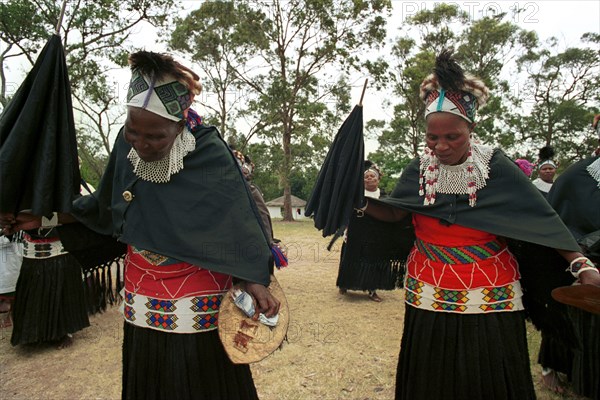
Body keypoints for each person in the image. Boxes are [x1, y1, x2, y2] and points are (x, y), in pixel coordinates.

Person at [1, 51, 279, 399]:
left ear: (180, 124)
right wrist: (45, 216)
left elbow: (238, 221)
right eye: (133, 133)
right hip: (142, 292)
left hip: (199, 294)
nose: (141, 144)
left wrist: (252, 277)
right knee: (149, 372)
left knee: (198, 379)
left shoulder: (208, 151)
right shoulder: (126, 145)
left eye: (155, 137)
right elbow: (104, 209)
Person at [355, 50, 600, 399]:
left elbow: (542, 221)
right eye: (432, 138)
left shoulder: (496, 169)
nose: (440, 146)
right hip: (427, 286)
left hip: (490, 291)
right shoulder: (419, 169)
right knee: (431, 374)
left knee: (487, 374)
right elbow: (397, 212)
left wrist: (581, 264)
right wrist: (356, 201)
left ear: (470, 128)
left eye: (452, 137)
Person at [537, 114, 600, 398]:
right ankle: (553, 368)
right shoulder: (576, 178)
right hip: (583, 264)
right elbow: (553, 228)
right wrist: (581, 262)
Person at [337, 161, 400, 302]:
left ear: (378, 180)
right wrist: (346, 228)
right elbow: (346, 212)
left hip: (375, 232)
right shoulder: (355, 195)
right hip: (356, 228)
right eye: (367, 177)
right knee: (352, 257)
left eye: (373, 176)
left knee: (373, 259)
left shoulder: (385, 196)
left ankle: (372, 289)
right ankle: (345, 284)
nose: (370, 178)